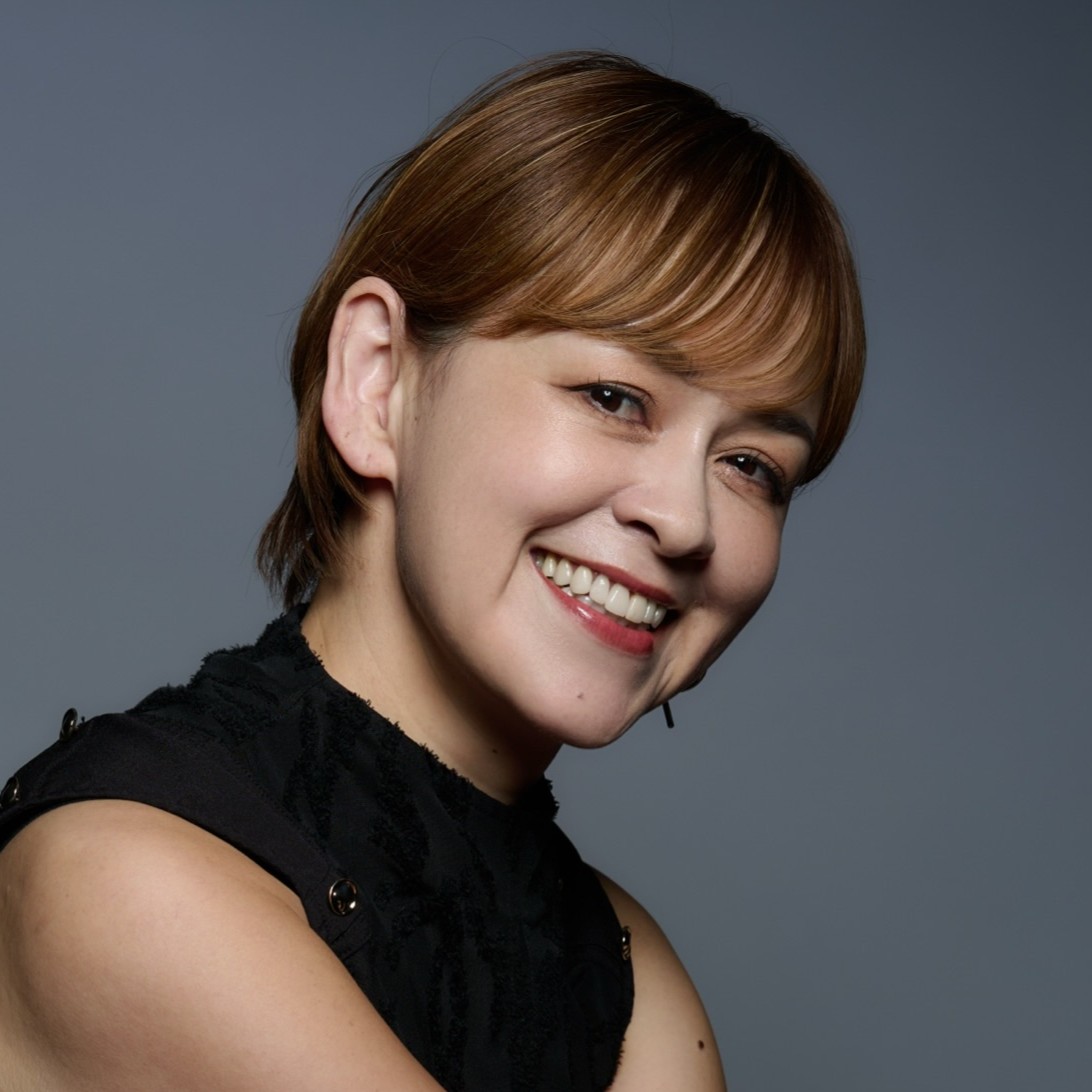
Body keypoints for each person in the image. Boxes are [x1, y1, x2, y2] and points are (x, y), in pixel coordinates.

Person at [0, 51, 864, 1091]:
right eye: (614, 398)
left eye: (754, 466)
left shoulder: (635, 987)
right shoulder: (129, 877)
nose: (686, 522)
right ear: (378, 383)